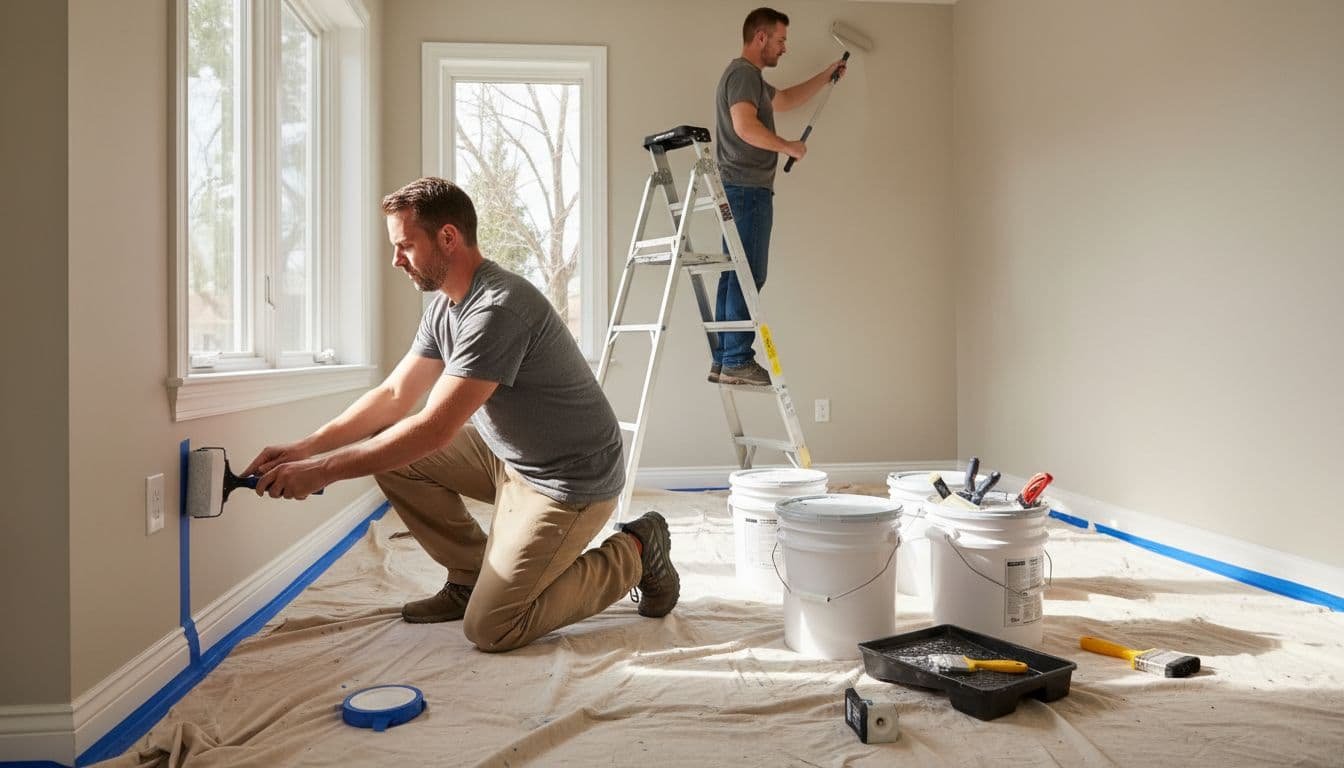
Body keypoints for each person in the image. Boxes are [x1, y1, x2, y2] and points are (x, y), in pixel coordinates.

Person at [243, 177, 680, 652]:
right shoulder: (445, 307)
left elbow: (434, 429)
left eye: (405, 246)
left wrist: (322, 471)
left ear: (448, 238)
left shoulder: (499, 308)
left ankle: (636, 549)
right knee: (389, 447)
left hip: (570, 480)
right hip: (509, 457)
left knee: (493, 628)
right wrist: (307, 448)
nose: (396, 260)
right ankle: (471, 576)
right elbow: (394, 394)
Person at [710, 7, 847, 386]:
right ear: (761, 38)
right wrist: (787, 146)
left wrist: (826, 76)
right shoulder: (742, 74)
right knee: (749, 274)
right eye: (781, 40)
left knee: (735, 272)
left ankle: (724, 358)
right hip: (747, 188)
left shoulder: (749, 78)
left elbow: (783, 100)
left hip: (740, 188)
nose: (785, 48)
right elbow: (744, 125)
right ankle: (737, 358)